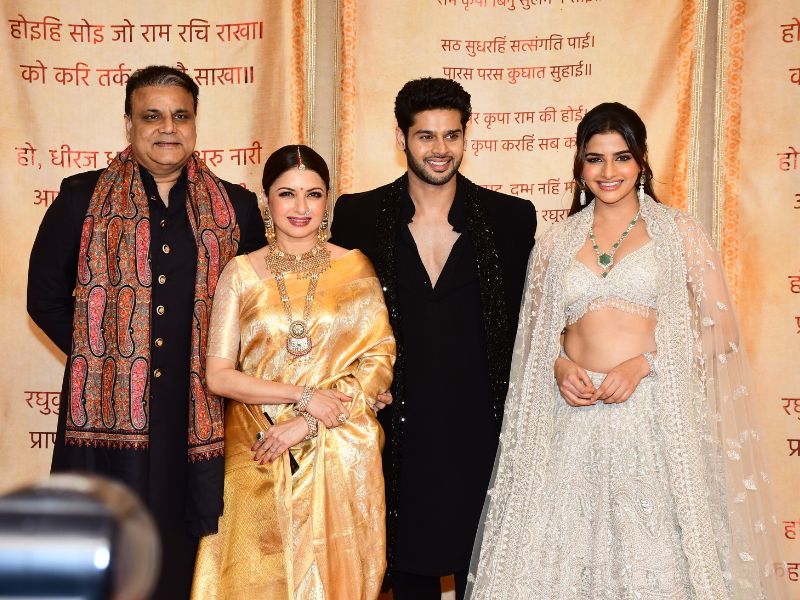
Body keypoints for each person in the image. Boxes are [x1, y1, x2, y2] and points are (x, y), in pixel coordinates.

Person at [467, 102, 787, 599]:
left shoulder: (678, 232)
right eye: (595, 159)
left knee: (651, 557)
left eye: (621, 157)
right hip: (569, 419)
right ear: (580, 165)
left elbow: (723, 331)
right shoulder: (555, 242)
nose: (608, 171)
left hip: (651, 416)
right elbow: (533, 338)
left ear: (641, 162)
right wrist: (559, 365)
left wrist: (645, 365)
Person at [26, 65, 266, 599]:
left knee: (186, 553)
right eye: (152, 116)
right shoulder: (81, 199)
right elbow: (43, 298)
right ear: (129, 123)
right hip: (107, 411)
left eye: (181, 116)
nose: (167, 128)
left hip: (199, 411)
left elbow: (256, 311)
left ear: (196, 123)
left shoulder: (236, 207)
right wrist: (106, 358)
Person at [331, 77, 537, 600]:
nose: (440, 149)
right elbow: (336, 322)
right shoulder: (357, 217)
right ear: (401, 138)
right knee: (405, 575)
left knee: (488, 575)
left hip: (483, 436)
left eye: (451, 135)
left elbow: (534, 324)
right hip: (396, 435)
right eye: (426, 136)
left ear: (467, 136)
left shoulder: (511, 220)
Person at [191, 145, 395, 599]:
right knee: (255, 579)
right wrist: (301, 398)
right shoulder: (240, 273)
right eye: (287, 194)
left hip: (339, 443)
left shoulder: (354, 267)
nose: (301, 207)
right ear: (267, 201)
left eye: (313, 194)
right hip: (258, 445)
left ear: (327, 201)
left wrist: (308, 421)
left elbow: (378, 359)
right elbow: (218, 375)